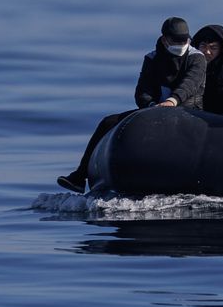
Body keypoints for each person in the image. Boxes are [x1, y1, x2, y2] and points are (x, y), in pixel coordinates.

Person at [56, 16, 206, 193]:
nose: (181, 44)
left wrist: (171, 102)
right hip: (155, 111)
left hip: (188, 111)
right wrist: (151, 106)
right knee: (108, 122)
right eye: (176, 41)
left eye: (185, 40)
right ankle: (80, 176)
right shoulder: (152, 58)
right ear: (165, 40)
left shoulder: (197, 58)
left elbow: (190, 84)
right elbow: (142, 90)